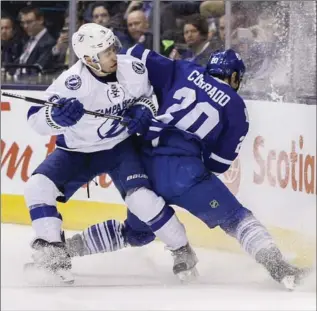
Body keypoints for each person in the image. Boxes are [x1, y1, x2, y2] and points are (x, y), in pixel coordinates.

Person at [66, 47, 308, 290]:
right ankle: (280, 268)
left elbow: (135, 53)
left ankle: (62, 251)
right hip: (186, 173)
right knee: (237, 218)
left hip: (142, 166)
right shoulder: (236, 107)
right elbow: (218, 164)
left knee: (137, 233)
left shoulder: (183, 69)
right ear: (234, 77)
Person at [23, 23, 197, 284]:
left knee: (142, 199)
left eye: (112, 48)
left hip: (119, 147)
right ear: (90, 59)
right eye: (106, 53)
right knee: (37, 187)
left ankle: (182, 250)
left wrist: (144, 110)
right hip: (78, 151)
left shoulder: (132, 68)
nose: (114, 55)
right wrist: (56, 117)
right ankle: (54, 253)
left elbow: (147, 96)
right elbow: (35, 118)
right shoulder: (72, 83)